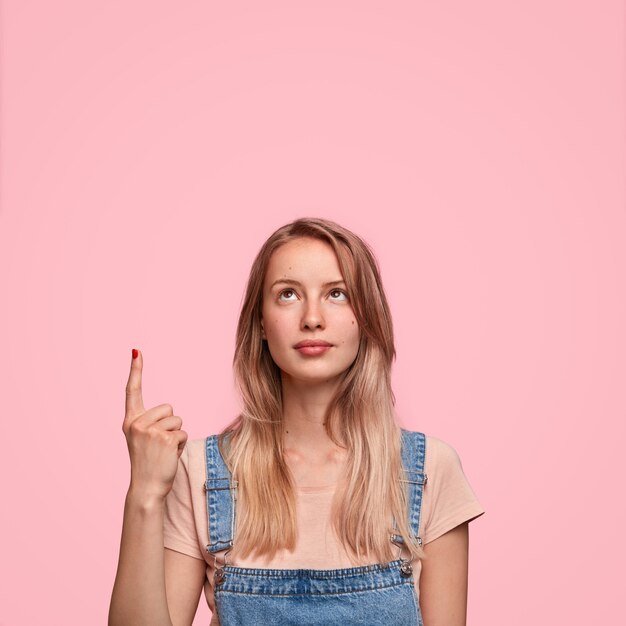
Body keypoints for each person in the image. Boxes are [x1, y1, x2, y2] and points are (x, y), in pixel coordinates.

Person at [109, 217, 485, 626]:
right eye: (288, 294)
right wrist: (144, 494)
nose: (312, 318)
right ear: (261, 324)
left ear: (369, 318)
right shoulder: (200, 473)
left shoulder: (429, 472)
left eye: (337, 294)